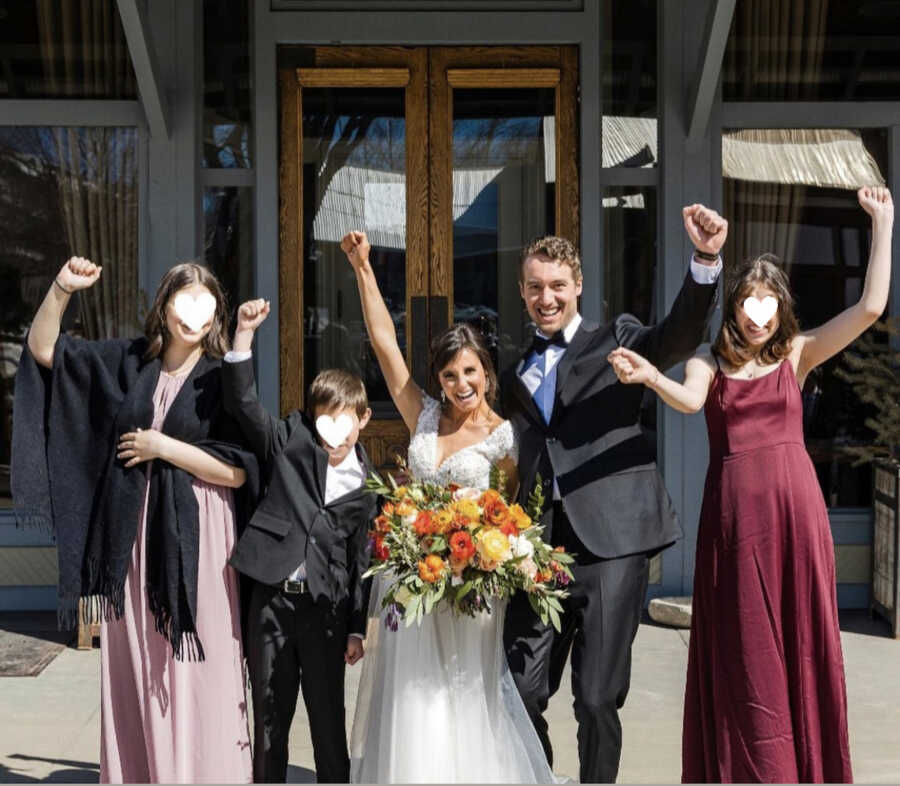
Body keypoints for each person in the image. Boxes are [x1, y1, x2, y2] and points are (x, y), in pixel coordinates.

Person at [608, 186, 893, 783]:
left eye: (768, 300)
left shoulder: (797, 356)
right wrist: (651, 376)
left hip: (797, 519)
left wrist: (883, 224)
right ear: (734, 307)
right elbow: (688, 402)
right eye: (747, 300)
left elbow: (870, 308)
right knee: (746, 652)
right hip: (736, 525)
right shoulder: (709, 363)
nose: (756, 312)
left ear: (780, 309)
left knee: (799, 640)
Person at [502, 205, 728, 783]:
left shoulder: (618, 338)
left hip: (613, 547)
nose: (545, 298)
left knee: (597, 698)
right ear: (522, 292)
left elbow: (677, 334)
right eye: (534, 287)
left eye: (557, 286)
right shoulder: (514, 368)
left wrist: (704, 261)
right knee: (518, 692)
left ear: (578, 286)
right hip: (538, 554)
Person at [12, 258, 258, 783]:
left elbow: (237, 473)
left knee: (200, 668)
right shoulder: (129, 363)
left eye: (204, 301)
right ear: (165, 308)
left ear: (216, 313)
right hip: (132, 538)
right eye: (182, 299)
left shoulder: (220, 379)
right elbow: (43, 350)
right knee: (139, 667)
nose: (192, 313)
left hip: (199, 541)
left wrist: (162, 446)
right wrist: (61, 288)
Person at [340, 230, 555, 783]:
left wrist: (496, 556)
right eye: (448, 375)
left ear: (485, 371)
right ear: (437, 380)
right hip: (412, 580)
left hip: (470, 587)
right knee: (412, 697)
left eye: (470, 372)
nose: (461, 385)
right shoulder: (425, 416)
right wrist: (363, 268)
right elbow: (386, 346)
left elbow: (511, 516)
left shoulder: (504, 438)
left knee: (465, 690)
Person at [221, 298, 377, 784]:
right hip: (271, 601)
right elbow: (244, 404)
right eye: (325, 420)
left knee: (329, 722)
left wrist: (356, 626)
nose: (335, 433)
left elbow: (361, 559)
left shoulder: (369, 485)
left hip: (325, 611)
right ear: (312, 419)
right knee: (269, 722)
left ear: (364, 419)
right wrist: (243, 336)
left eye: (345, 420)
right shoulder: (288, 441)